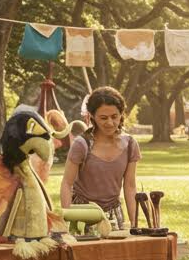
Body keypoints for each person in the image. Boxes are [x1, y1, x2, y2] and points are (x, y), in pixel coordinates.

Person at [60, 86, 141, 228]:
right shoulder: (82, 144)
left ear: (121, 114)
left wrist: (134, 223)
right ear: (92, 116)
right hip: (82, 214)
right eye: (103, 118)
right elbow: (67, 183)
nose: (110, 123)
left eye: (114, 116)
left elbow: (130, 186)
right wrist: (67, 219)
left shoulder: (130, 145)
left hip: (114, 215)